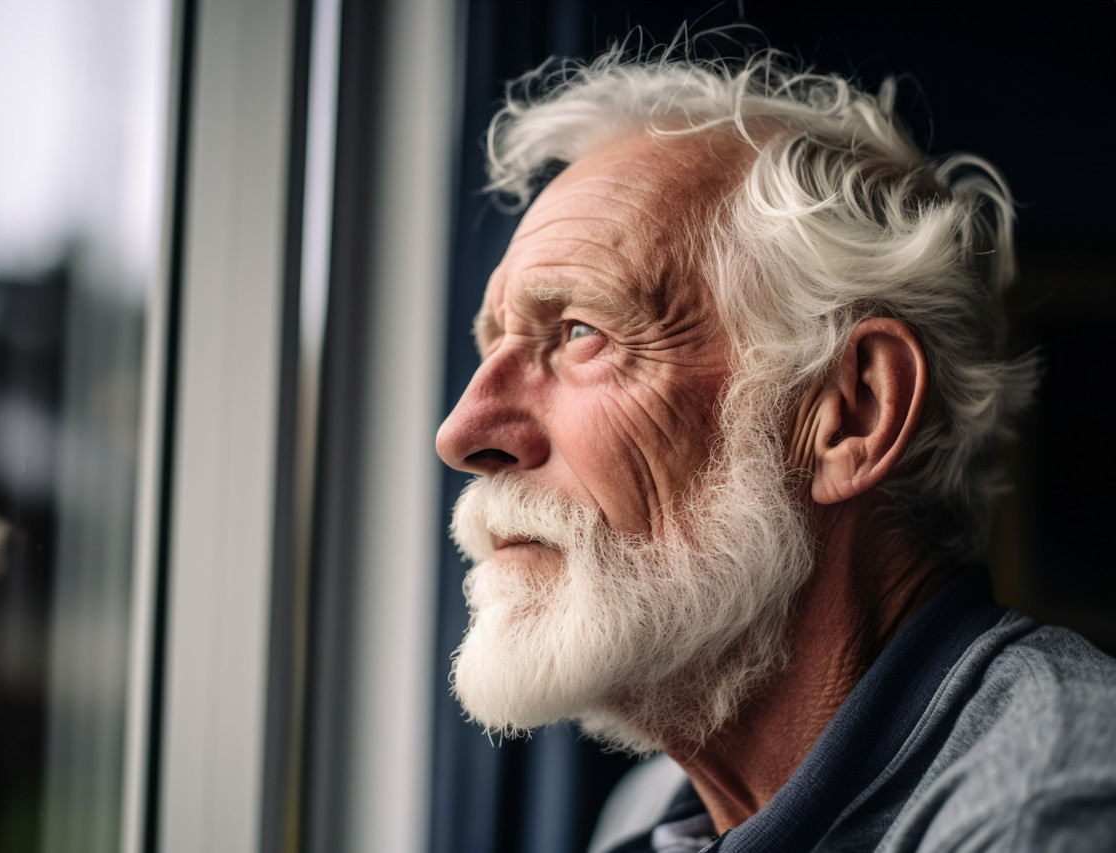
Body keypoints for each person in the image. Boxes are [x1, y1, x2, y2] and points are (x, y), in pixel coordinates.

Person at [434, 45, 1116, 852]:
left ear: (850, 412)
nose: (463, 432)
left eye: (583, 332)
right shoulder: (654, 809)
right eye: (493, 346)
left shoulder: (1040, 810)